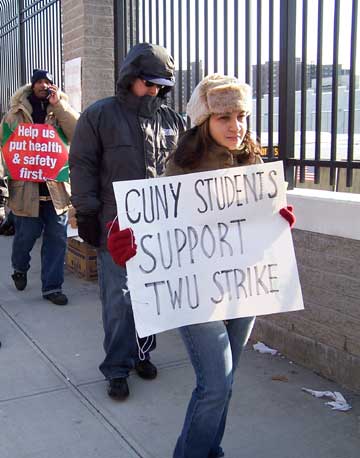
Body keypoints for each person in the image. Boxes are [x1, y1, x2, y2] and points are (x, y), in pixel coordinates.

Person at [107, 73, 295, 457]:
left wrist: (277, 221)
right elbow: (152, 220)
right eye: (224, 117)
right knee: (214, 384)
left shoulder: (253, 162)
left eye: (241, 116)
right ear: (203, 120)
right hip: (198, 294)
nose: (236, 126)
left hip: (243, 287)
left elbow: (254, 222)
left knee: (226, 381)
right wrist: (122, 239)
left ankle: (210, 449)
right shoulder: (182, 167)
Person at [69, 43, 185, 400]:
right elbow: (83, 165)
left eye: (159, 85)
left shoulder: (173, 121)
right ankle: (117, 367)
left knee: (150, 296)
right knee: (118, 299)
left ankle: (142, 353)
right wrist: (86, 213)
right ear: (130, 78)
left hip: (159, 228)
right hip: (114, 227)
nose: (153, 90)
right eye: (147, 83)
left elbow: (188, 170)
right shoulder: (100, 115)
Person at [0, 69, 79, 305]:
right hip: (26, 190)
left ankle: (52, 287)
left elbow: (77, 132)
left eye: (48, 82)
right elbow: (4, 148)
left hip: (56, 191)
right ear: (32, 85)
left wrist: (59, 107)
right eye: (40, 82)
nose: (44, 86)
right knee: (25, 238)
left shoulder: (60, 110)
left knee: (57, 240)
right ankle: (20, 267)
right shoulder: (15, 115)